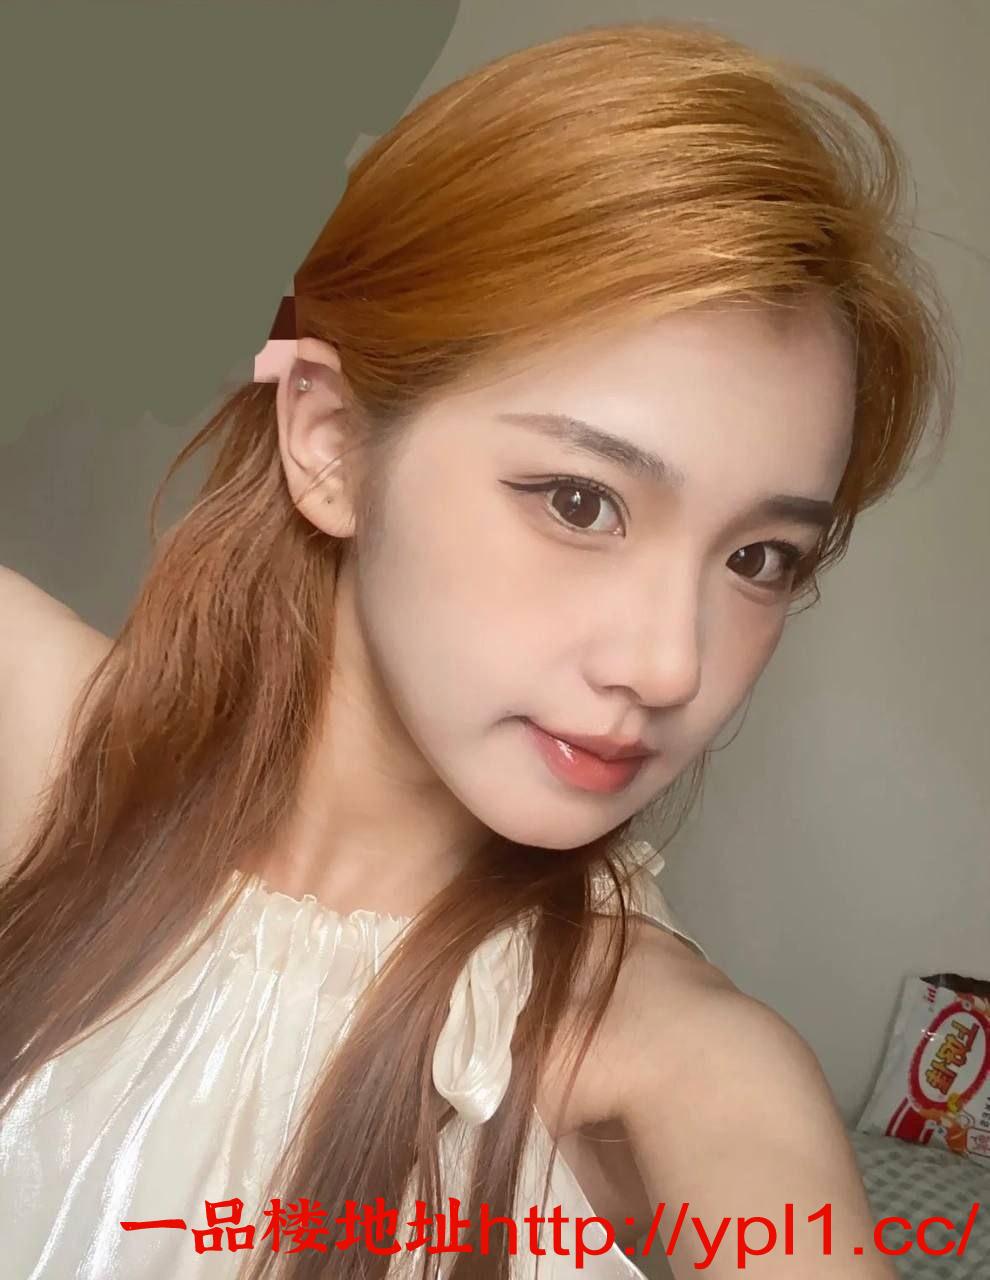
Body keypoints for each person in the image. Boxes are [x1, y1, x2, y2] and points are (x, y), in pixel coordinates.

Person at [0, 19, 954, 1280]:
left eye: (760, 557)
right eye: (580, 500)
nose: (671, 666)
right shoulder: (38, 735)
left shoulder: (676, 1067)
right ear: (332, 444)